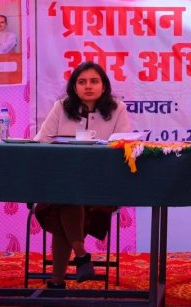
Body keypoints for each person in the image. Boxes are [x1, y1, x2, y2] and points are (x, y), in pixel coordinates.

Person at [34, 62, 130, 288]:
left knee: (65, 201)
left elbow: (125, 145)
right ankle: (80, 256)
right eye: (82, 82)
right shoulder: (61, 107)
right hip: (63, 181)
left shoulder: (118, 108)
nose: (88, 86)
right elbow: (41, 142)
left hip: (101, 186)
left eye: (94, 81)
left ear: (103, 86)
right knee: (68, 195)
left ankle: (60, 279)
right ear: (74, 87)